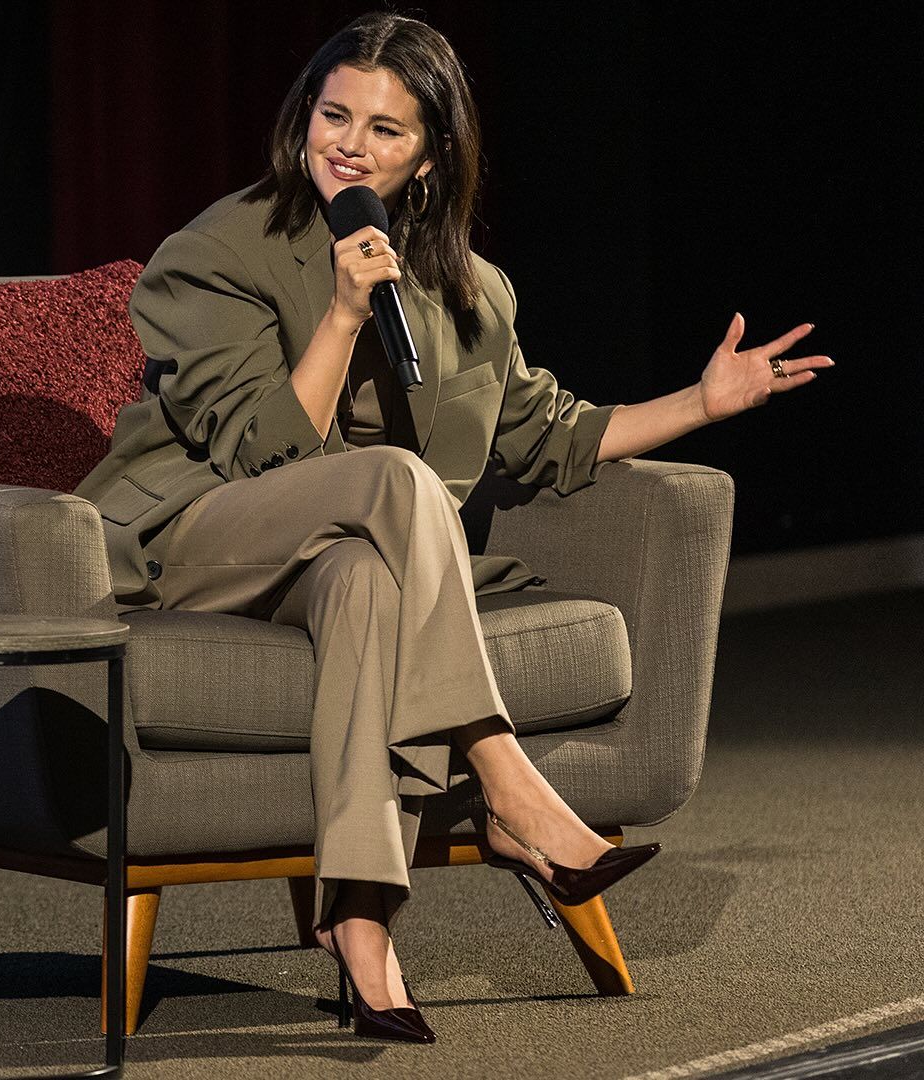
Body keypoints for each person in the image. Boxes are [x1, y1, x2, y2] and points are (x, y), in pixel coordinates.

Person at [74, 11, 832, 1043]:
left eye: (385, 130)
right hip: (200, 535)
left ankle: (360, 924)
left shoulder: (470, 293)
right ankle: (507, 779)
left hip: (340, 556)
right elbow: (261, 451)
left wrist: (702, 404)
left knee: (365, 585)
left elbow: (545, 435)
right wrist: (342, 313)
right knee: (393, 480)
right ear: (303, 121)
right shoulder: (218, 249)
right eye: (333, 114)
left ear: (430, 157)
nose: (349, 142)